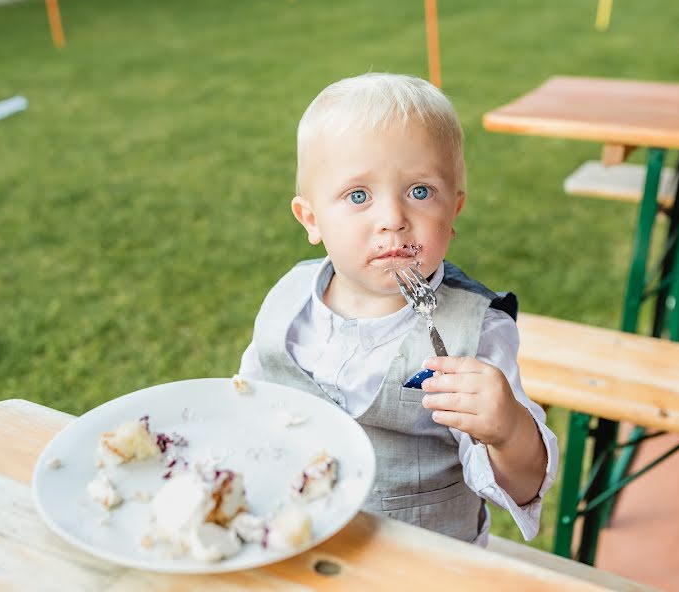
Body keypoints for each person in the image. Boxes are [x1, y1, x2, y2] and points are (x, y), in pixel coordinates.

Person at [237, 73, 558, 545]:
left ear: (454, 210)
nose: (392, 219)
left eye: (420, 191)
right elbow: (251, 408)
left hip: (424, 564)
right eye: (358, 196)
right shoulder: (289, 303)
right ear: (311, 219)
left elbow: (523, 484)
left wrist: (508, 432)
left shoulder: (474, 333)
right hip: (298, 541)